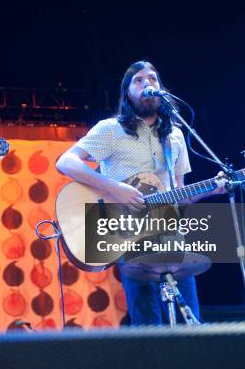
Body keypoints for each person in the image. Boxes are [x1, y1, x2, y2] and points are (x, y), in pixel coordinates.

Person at [56, 61, 225, 325]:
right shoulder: (110, 129)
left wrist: (211, 189)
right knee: (148, 323)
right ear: (127, 94)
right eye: (138, 80)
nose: (148, 83)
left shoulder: (176, 136)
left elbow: (178, 194)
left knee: (190, 322)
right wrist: (115, 188)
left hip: (171, 235)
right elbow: (66, 162)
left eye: (153, 79)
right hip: (129, 236)